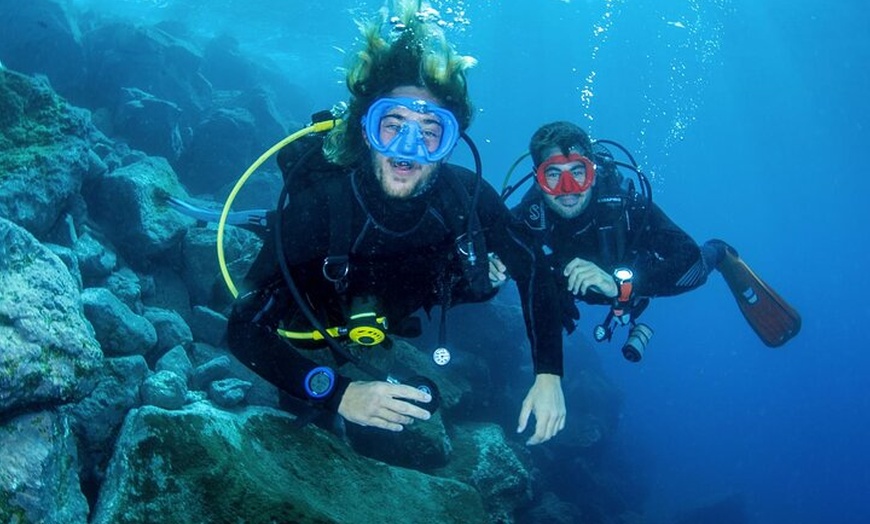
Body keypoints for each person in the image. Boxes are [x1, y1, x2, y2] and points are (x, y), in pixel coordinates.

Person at [226, 5, 567, 445]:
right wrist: (338, 393)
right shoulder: (320, 208)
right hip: (315, 322)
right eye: (393, 126)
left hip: (397, 316)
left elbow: (534, 267)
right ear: (367, 130)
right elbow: (241, 328)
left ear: (450, 143)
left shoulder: (467, 198)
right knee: (304, 424)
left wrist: (549, 375)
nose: (408, 150)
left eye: (430, 131)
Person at [490, 121, 800, 359]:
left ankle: (719, 252)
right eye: (553, 174)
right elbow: (488, 245)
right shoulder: (529, 214)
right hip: (580, 290)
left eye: (578, 172)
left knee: (701, 267)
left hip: (634, 276)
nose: (568, 188)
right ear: (537, 179)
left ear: (594, 173)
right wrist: (494, 266)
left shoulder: (625, 206)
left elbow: (689, 263)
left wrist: (622, 286)